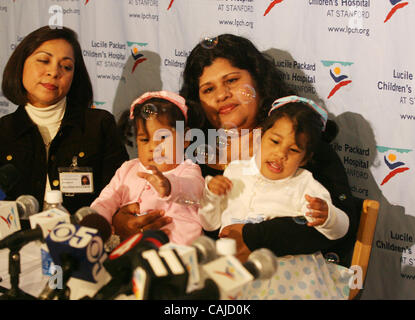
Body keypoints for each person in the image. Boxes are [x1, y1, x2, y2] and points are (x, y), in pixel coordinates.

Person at [179, 33, 359, 265]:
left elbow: (339, 221)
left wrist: (252, 237)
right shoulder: (190, 152)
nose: (222, 95)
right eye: (208, 89)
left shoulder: (300, 141)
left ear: (258, 81)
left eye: (232, 80)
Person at [0, 26, 130, 215]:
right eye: (44, 60)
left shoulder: (99, 126)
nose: (54, 72)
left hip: (86, 240)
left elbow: (121, 198)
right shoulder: (4, 132)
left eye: (66, 66)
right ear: (20, 65)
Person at [200, 95, 349, 244]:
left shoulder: (304, 184)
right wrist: (211, 196)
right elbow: (209, 224)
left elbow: (339, 231)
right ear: (261, 136)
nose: (281, 154)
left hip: (281, 264)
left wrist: (328, 217)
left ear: (304, 159)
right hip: (232, 262)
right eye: (275, 141)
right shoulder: (235, 171)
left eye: (293, 150)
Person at [91, 91, 204, 245]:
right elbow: (106, 200)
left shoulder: (188, 170)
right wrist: (95, 221)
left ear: (185, 139)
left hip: (177, 252)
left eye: (163, 137)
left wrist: (170, 185)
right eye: (144, 139)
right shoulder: (128, 169)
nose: (153, 146)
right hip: (131, 249)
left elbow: (194, 189)